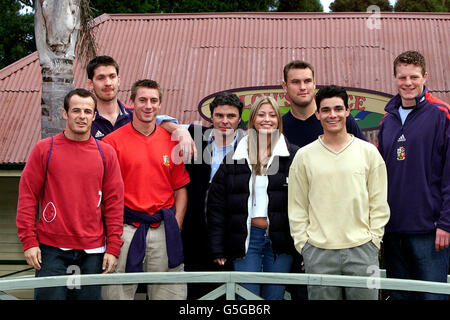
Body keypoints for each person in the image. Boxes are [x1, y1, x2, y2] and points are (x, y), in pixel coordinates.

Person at [16, 88, 124, 300]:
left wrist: (113, 248)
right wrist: (29, 241)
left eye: (87, 111)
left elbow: (114, 203)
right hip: (51, 250)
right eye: (76, 110)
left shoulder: (107, 153)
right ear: (65, 113)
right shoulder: (44, 149)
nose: (82, 116)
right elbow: (27, 196)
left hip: (93, 252)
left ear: (94, 116)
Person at [288, 85, 390, 300]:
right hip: (318, 252)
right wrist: (304, 245)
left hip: (363, 251)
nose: (332, 115)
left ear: (347, 111)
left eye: (337, 109)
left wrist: (374, 241)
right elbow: (297, 206)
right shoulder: (304, 156)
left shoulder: (368, 153)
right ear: (317, 114)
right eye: (325, 110)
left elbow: (379, 203)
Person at [281, 60, 367, 300]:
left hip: (350, 242)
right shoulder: (279, 127)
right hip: (302, 241)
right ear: (284, 87)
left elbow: (366, 175)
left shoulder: (341, 122)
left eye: (308, 81)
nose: (303, 87)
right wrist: (305, 249)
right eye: (296, 82)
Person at [101, 79, 190, 300]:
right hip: (125, 228)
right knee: (116, 291)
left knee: (169, 292)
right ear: (132, 102)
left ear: (160, 105)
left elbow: (180, 188)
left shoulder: (172, 141)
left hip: (163, 228)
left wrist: (176, 223)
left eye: (153, 100)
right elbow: (104, 193)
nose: (148, 105)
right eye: (142, 100)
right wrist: (113, 231)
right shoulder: (111, 143)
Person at [207, 96, 298, 300]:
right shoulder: (234, 158)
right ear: (252, 119)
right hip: (247, 239)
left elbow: (307, 204)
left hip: (280, 239)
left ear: (278, 120)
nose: (267, 119)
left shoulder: (294, 156)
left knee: (274, 297)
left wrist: (304, 249)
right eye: (261, 114)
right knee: (246, 298)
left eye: (272, 115)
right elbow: (216, 205)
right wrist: (218, 247)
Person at [377, 50, 450, 300]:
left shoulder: (442, 115)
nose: (408, 83)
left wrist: (446, 224)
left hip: (429, 232)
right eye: (402, 77)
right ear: (395, 78)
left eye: (414, 77)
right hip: (394, 229)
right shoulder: (387, 121)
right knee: (399, 297)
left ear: (425, 77)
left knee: (433, 297)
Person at [182, 91, 245, 299]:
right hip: (194, 230)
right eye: (219, 116)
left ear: (239, 118)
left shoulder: (247, 147)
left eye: (231, 116)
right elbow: (161, 121)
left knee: (226, 291)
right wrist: (178, 130)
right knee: (195, 291)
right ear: (211, 117)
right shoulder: (195, 136)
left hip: (230, 230)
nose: (225, 121)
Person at [87, 55, 195, 160]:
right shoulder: (85, 121)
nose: (108, 83)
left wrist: (181, 130)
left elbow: (156, 120)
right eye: (101, 78)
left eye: (112, 76)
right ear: (90, 84)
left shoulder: (135, 115)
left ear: (118, 80)